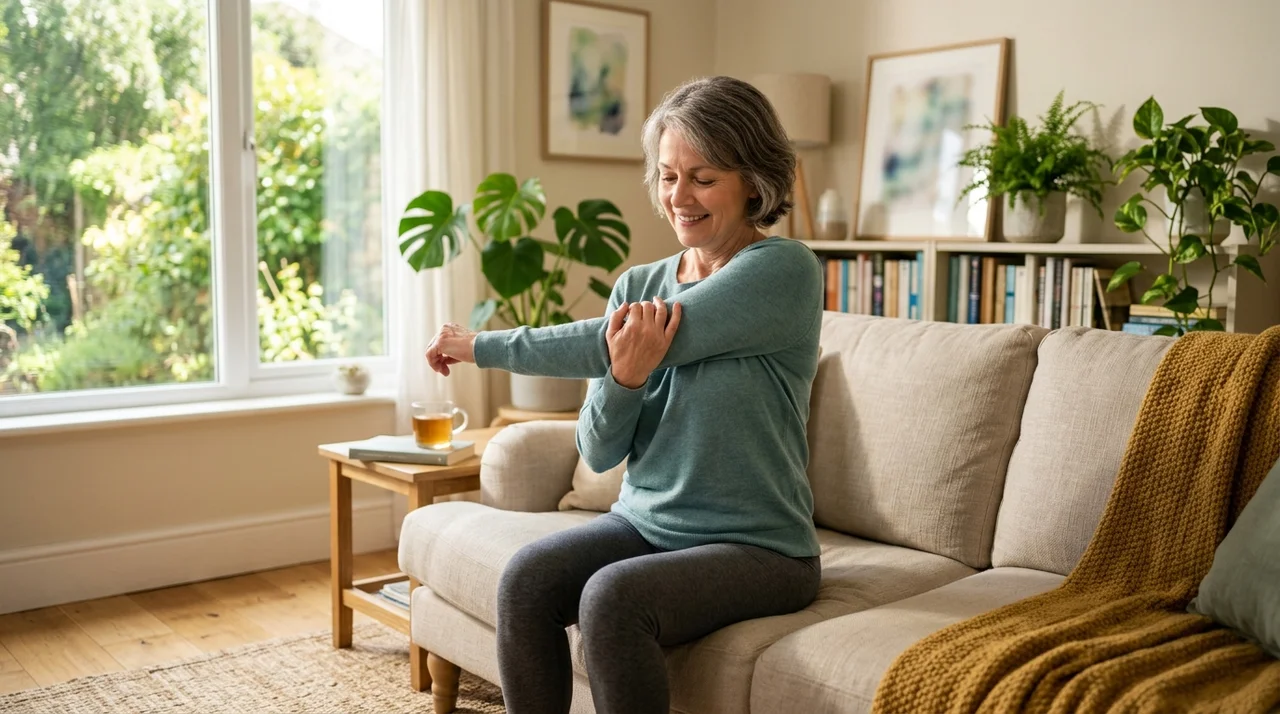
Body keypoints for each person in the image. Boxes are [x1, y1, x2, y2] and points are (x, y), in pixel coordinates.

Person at [424, 75, 824, 714]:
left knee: (613, 599)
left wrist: (480, 345)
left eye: (703, 176)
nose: (679, 197)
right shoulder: (638, 283)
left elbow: (604, 338)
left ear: (753, 179)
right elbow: (600, 449)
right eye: (668, 175)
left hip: (761, 549)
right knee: (527, 580)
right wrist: (627, 377)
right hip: (644, 524)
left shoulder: (782, 271)